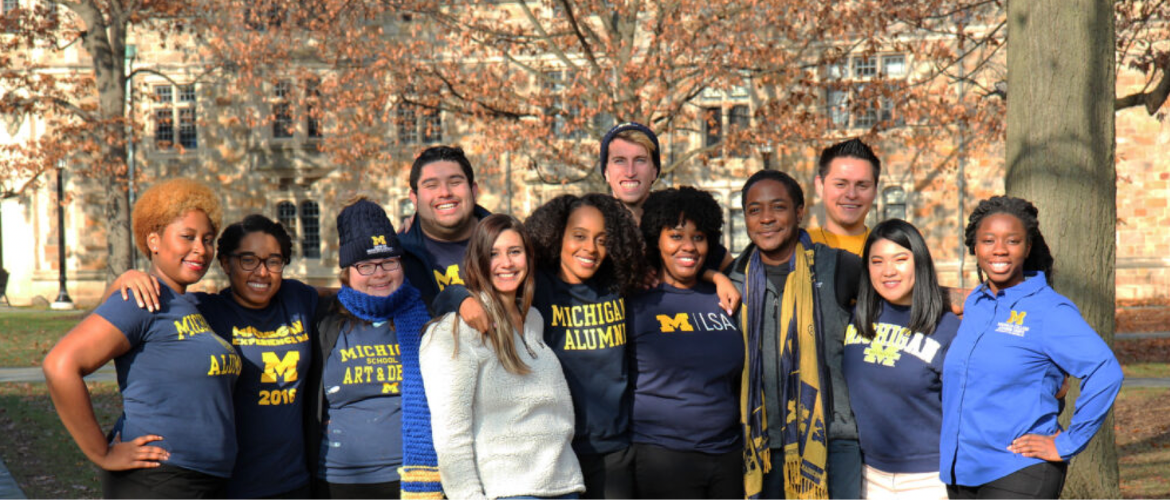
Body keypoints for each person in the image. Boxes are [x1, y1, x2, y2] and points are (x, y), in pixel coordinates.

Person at [43, 179, 238, 499]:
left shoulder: (194, 307)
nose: (201, 249)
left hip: (205, 480)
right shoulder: (141, 297)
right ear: (154, 240)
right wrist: (101, 453)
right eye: (187, 237)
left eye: (208, 239)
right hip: (159, 480)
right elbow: (60, 364)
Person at [110, 214, 319, 498]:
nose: (262, 272)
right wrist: (124, 280)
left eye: (273, 261)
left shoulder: (297, 299)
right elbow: (113, 323)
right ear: (226, 263)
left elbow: (357, 291)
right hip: (231, 482)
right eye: (248, 260)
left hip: (293, 481)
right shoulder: (202, 311)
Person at [940, 196, 1123, 499]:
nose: (999, 249)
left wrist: (1067, 443)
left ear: (1027, 248)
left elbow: (1106, 371)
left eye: (1012, 241)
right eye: (988, 240)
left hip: (1017, 471)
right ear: (975, 247)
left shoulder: (1050, 310)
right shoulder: (976, 303)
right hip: (963, 471)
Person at [420, 214, 585, 500]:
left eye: (515, 252)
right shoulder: (456, 330)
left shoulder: (533, 319)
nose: (506, 263)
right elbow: (450, 434)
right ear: (477, 261)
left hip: (565, 485)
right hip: (510, 492)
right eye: (493, 254)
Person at [727, 170, 862, 499]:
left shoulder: (839, 267)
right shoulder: (733, 281)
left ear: (799, 212)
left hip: (833, 442)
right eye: (754, 210)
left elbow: (900, 291)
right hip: (758, 449)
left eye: (778, 207)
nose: (766, 218)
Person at [306, 198, 434, 499]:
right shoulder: (323, 319)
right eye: (365, 265)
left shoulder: (425, 317)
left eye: (389, 261)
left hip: (411, 479)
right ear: (347, 272)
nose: (379, 274)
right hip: (337, 481)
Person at [523, 194, 646, 498]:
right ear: (556, 235)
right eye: (579, 236)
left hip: (615, 452)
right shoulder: (535, 286)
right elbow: (473, 287)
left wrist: (716, 277)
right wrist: (462, 300)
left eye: (601, 240)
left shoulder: (619, 285)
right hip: (556, 453)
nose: (590, 248)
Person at [627, 186, 744, 499]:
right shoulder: (637, 302)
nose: (689, 247)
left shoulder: (727, 297)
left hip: (728, 455)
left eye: (699, 236)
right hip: (663, 457)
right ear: (657, 240)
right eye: (676, 236)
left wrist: (716, 277)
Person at [842, 219, 959, 500]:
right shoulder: (856, 319)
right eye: (877, 261)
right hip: (866, 475)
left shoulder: (948, 328)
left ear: (919, 261)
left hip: (928, 480)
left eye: (900, 259)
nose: (888, 271)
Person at [400, 145, 492, 293]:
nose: (444, 193)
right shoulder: (398, 258)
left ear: (473, 190)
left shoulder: (510, 243)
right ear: (415, 198)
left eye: (455, 182)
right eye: (431, 185)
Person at [809, 138, 880, 257]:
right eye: (840, 184)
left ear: (875, 191)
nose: (851, 195)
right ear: (820, 186)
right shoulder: (798, 248)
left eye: (862, 185)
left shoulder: (886, 253)